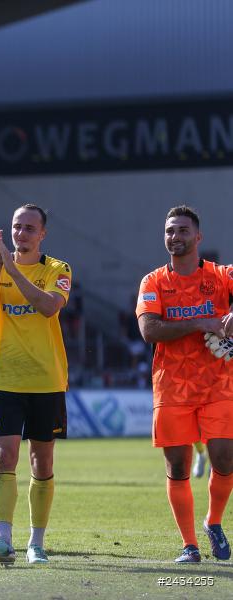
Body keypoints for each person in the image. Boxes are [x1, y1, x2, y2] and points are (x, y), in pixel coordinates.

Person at [0, 204, 72, 565]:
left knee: (41, 462)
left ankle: (37, 543)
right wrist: (0, 264)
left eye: (29, 228)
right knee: (3, 455)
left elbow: (48, 307)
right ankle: (3, 539)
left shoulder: (58, 269)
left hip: (46, 380)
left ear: (42, 234)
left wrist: (13, 269)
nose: (21, 233)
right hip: (4, 379)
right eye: (16, 227)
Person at [136, 205, 233, 563]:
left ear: (198, 237)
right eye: (169, 231)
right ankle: (189, 546)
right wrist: (202, 323)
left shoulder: (222, 276)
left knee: (224, 459)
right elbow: (149, 330)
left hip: (219, 384)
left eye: (182, 231)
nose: (175, 237)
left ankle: (214, 521)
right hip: (172, 386)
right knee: (178, 466)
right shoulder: (153, 282)